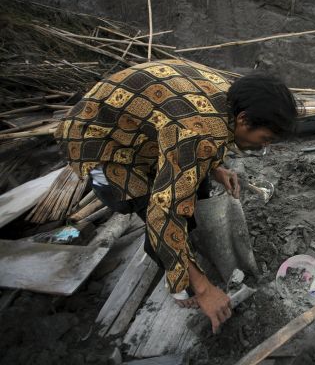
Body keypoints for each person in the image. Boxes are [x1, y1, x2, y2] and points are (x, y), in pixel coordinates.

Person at [55, 59, 298, 333]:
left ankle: (185, 254)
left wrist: (216, 167)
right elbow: (163, 210)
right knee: (140, 202)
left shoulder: (227, 98)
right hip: (98, 139)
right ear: (243, 119)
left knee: (193, 183)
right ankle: (180, 277)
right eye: (265, 139)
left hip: (139, 127)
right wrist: (204, 289)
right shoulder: (197, 135)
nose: (263, 146)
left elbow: (185, 130)